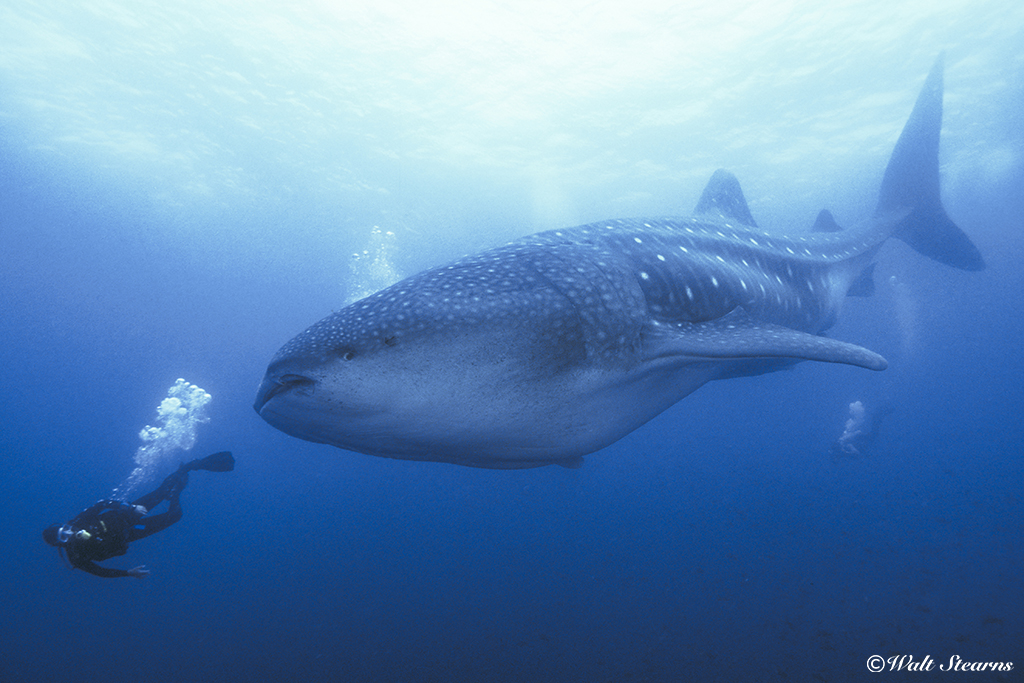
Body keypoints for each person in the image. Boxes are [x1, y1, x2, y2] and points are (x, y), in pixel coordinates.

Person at [43, 451, 234, 578]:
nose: (68, 532)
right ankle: (176, 493)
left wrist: (128, 507)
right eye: (63, 535)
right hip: (133, 532)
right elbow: (100, 572)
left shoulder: (78, 521)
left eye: (65, 528)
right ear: (60, 543)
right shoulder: (76, 557)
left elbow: (101, 504)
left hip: (126, 515)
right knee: (175, 516)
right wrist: (128, 572)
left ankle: (188, 467)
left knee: (161, 492)